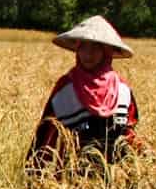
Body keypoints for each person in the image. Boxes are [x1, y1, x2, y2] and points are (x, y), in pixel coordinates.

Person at [26, 15, 144, 177]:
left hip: (115, 178)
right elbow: (47, 132)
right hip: (74, 176)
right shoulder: (66, 88)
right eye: (83, 48)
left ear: (106, 52)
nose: (88, 54)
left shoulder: (122, 90)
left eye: (95, 48)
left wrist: (145, 159)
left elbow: (128, 133)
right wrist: (35, 174)